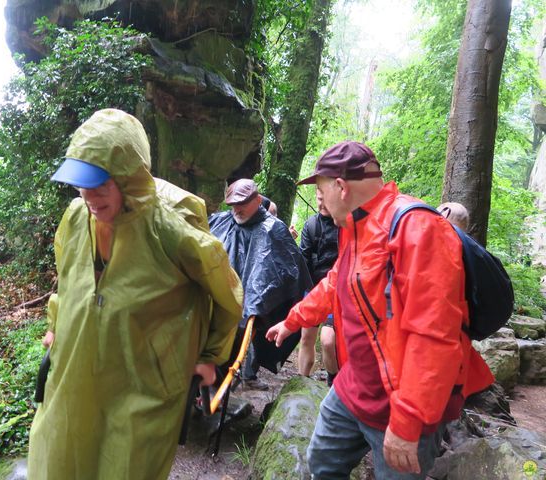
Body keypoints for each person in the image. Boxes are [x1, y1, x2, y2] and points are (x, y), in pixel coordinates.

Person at [28, 109, 243, 480]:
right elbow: (68, 279)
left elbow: (227, 294)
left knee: (127, 466)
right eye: (81, 184)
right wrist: (55, 323)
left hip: (145, 380)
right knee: (58, 452)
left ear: (128, 179)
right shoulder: (77, 216)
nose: (88, 196)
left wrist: (210, 356)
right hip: (78, 365)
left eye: (99, 185)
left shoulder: (172, 229)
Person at [266, 141, 494, 479]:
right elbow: (336, 282)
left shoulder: (416, 228)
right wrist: (293, 320)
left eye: (322, 189)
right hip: (354, 385)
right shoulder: (355, 227)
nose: (321, 200)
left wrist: (407, 421)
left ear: (341, 187)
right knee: (322, 463)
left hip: (402, 403)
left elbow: (434, 337)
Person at [210, 179, 312, 390]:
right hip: (214, 301)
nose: (237, 209)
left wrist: (259, 302)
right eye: (233, 204)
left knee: (230, 349)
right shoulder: (220, 221)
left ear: (257, 200)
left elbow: (290, 272)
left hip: (247, 311)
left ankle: (217, 392)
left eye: (242, 203)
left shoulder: (273, 229)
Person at [297, 188, 339, 386]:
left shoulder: (346, 223)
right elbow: (302, 260)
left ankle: (333, 381)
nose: (321, 204)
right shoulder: (312, 225)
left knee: (328, 340)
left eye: (325, 199)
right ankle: (301, 383)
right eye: (318, 199)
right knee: (306, 338)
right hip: (313, 287)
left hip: (337, 291)